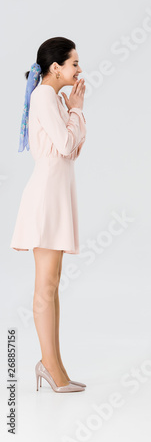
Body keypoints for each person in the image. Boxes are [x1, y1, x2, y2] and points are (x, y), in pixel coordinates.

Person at [10, 37, 87, 393]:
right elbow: (67, 145)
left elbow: (72, 152)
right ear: (55, 67)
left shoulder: (52, 98)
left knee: (52, 287)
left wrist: (71, 109)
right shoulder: (44, 96)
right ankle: (50, 368)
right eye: (73, 63)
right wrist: (78, 109)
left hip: (55, 195)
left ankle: (54, 366)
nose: (78, 69)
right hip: (46, 200)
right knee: (45, 287)